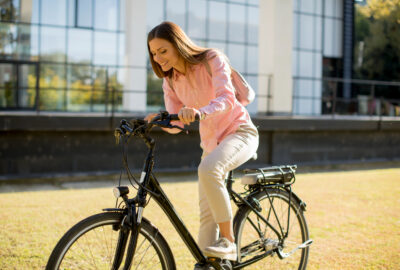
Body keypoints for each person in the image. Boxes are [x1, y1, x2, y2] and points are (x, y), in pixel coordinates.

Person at [145, 21, 259, 262]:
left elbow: (227, 99)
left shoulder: (211, 59)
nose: (158, 58)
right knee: (207, 215)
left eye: (163, 51)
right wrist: (159, 120)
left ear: (178, 44)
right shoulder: (171, 80)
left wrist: (200, 112)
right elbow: (177, 123)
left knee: (209, 169)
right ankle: (206, 265)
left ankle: (229, 242)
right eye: (154, 53)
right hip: (211, 144)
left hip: (240, 132)